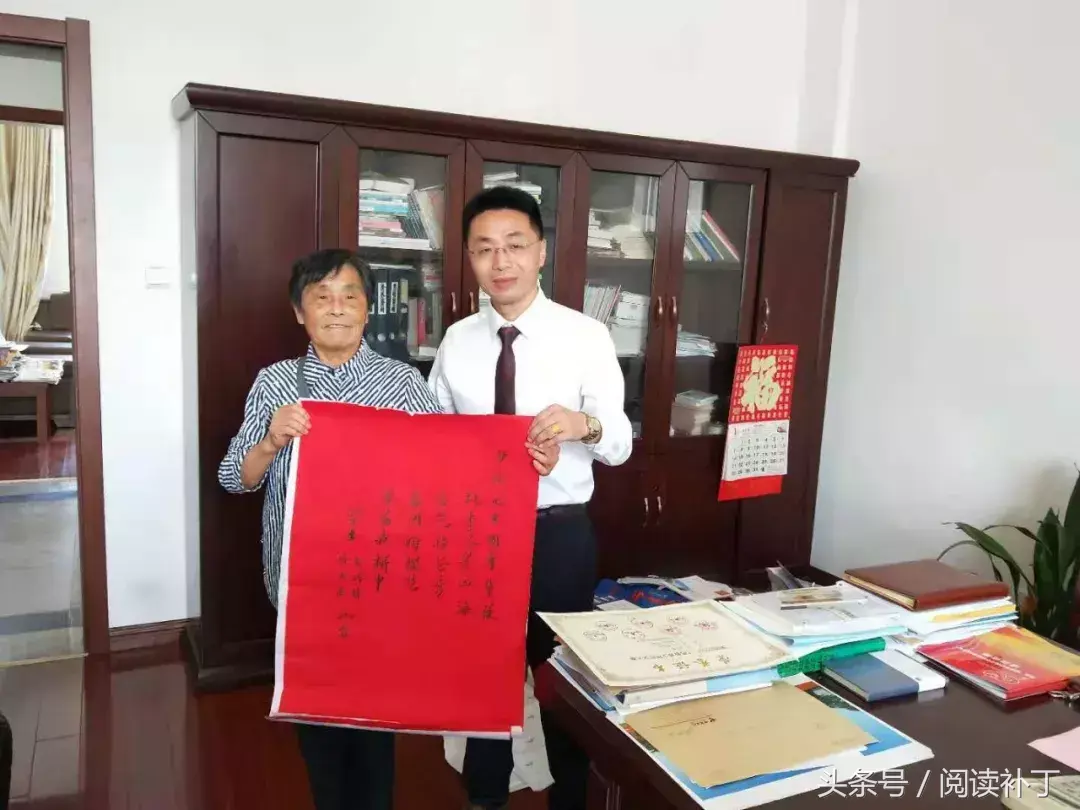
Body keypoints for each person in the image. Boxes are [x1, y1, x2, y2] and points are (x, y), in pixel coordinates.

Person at [217, 248, 559, 810]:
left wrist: (523, 458)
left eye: (349, 295)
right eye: (321, 297)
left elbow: (452, 465)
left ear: (368, 309)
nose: (336, 308)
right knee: (316, 722)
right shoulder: (276, 383)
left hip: (377, 586)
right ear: (299, 312)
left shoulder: (400, 382)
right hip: (300, 591)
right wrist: (272, 441)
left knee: (374, 726)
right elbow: (236, 478)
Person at [429, 186, 633, 810]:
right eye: (485, 248)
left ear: (541, 251)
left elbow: (619, 441)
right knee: (483, 676)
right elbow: (436, 437)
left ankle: (569, 799)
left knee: (561, 680)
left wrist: (580, 426)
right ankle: (486, 795)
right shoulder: (457, 341)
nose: (502, 262)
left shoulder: (585, 335)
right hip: (477, 533)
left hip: (557, 533)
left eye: (515, 245)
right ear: (469, 257)